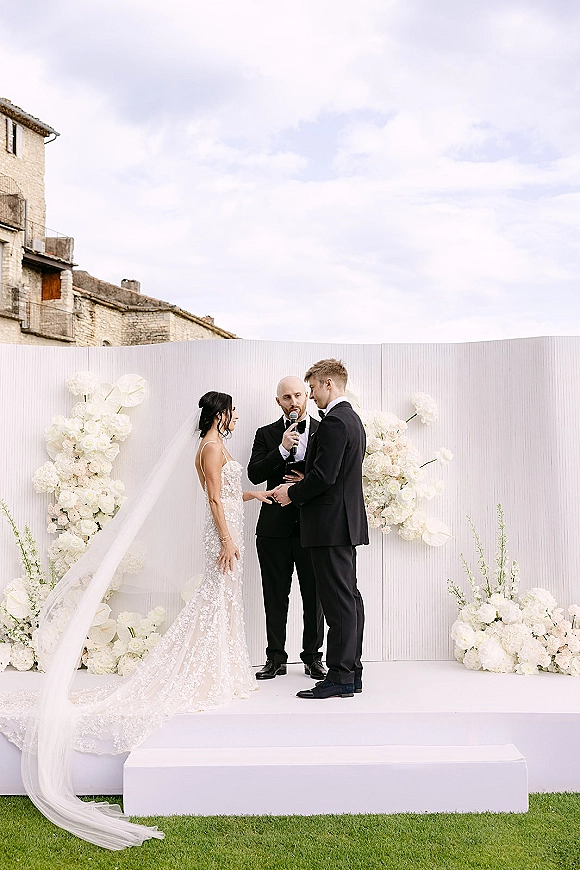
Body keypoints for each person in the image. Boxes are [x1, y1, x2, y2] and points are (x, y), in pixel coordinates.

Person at [0, 392, 273, 850]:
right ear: (219, 413)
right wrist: (227, 540)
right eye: (233, 410)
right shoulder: (208, 448)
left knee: (223, 602)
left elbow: (228, 493)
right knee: (213, 599)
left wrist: (257, 494)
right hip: (222, 537)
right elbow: (212, 500)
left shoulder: (218, 446)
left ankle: (219, 666)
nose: (239, 416)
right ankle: (205, 669)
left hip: (231, 532)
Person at [272, 360, 369, 700]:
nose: (310, 395)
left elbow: (326, 477)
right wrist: (307, 480)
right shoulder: (352, 420)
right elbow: (335, 475)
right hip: (343, 522)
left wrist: (292, 492)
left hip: (329, 526)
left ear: (329, 383)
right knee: (349, 599)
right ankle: (351, 672)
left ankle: (341, 676)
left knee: (338, 603)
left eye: (311, 387)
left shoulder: (333, 422)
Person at [248, 376, 325, 681]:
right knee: (275, 596)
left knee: (314, 597)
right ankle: (275, 658)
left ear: (306, 396)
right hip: (273, 530)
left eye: (298, 395)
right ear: (278, 402)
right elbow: (254, 474)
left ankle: (313, 657)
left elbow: (330, 476)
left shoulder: (324, 430)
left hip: (312, 528)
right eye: (286, 398)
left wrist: (305, 482)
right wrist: (280, 449)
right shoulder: (265, 434)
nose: (293, 402)